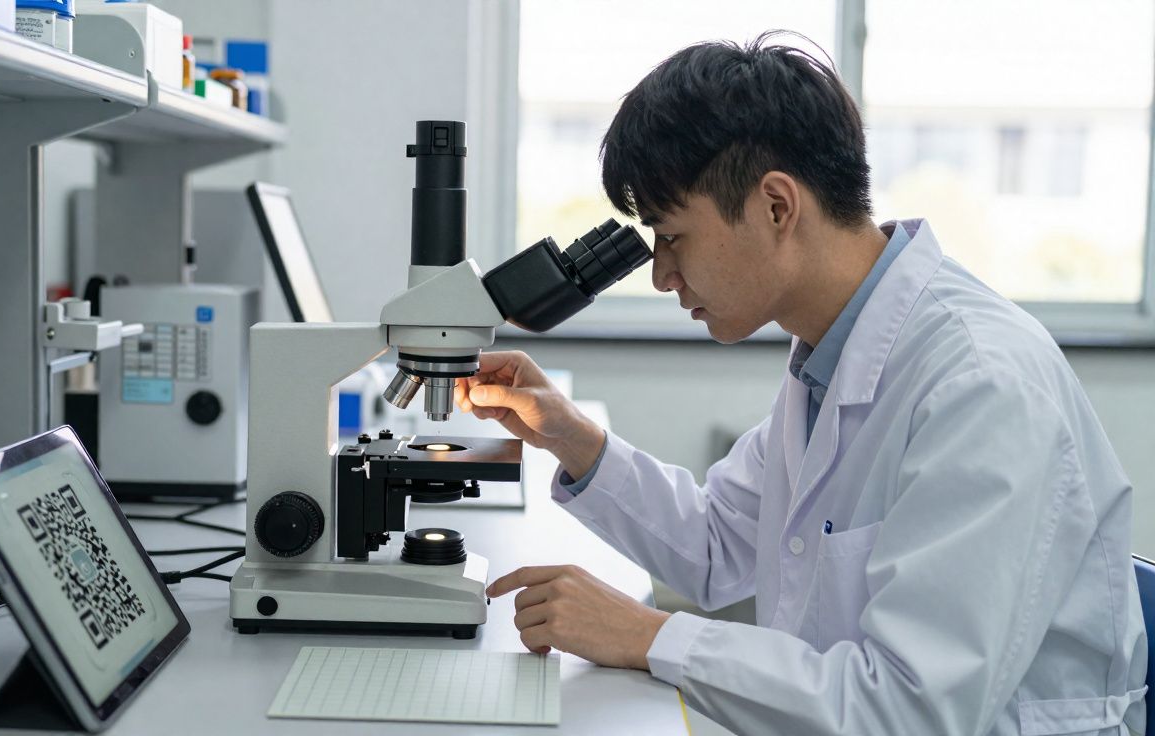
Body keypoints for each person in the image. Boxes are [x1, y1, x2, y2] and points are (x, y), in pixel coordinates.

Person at [455, 34, 1148, 735]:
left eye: (672, 237)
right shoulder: (834, 356)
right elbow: (718, 545)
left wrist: (649, 635)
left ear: (777, 207)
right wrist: (568, 436)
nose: (662, 274)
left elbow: (911, 709)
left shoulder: (981, 387)